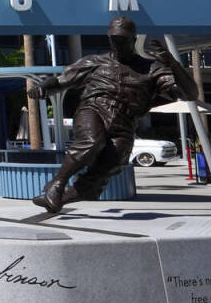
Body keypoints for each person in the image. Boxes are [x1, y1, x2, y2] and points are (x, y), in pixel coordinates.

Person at [28, 16, 197, 213]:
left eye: (122, 40)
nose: (117, 44)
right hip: (94, 110)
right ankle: (57, 184)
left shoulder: (152, 68)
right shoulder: (95, 61)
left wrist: (173, 64)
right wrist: (43, 87)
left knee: (107, 168)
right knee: (92, 141)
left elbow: (190, 94)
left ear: (133, 40)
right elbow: (62, 80)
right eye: (113, 40)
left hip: (125, 123)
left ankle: (56, 199)